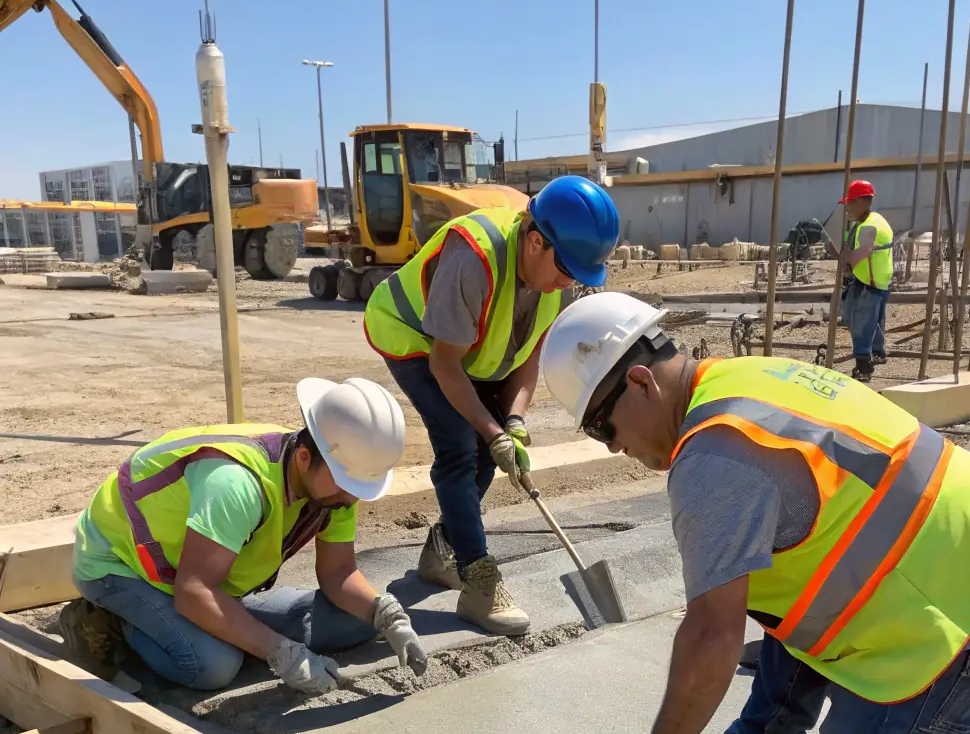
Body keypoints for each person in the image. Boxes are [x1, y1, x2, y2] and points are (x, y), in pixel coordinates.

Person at [540, 292, 970, 734]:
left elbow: (713, 636)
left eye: (600, 426)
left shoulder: (714, 463)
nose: (611, 445)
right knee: (775, 578)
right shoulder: (742, 380)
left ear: (640, 382)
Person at [364, 175, 619, 635]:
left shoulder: (556, 277)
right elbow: (445, 365)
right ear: (536, 242)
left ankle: (443, 549)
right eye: (566, 270)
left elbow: (527, 356)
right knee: (461, 446)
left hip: (468, 354)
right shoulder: (473, 259)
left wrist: (513, 423)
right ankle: (480, 581)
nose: (569, 283)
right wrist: (492, 431)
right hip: (415, 340)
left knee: (488, 448)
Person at [60, 378, 429, 695]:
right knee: (212, 665)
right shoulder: (238, 484)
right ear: (304, 457)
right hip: (121, 566)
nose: (351, 498)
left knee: (354, 621)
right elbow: (194, 591)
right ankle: (112, 622)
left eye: (359, 487)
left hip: (198, 574)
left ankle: (225, 627)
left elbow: (338, 574)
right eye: (347, 484)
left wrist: (385, 615)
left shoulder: (335, 485)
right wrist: (280, 651)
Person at [833, 179, 894, 382]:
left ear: (863, 202)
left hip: (869, 282)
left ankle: (863, 367)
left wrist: (846, 257)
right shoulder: (876, 219)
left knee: (861, 324)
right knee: (875, 321)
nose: (848, 208)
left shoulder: (868, 227)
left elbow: (863, 252)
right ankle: (878, 353)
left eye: (850, 203)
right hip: (880, 281)